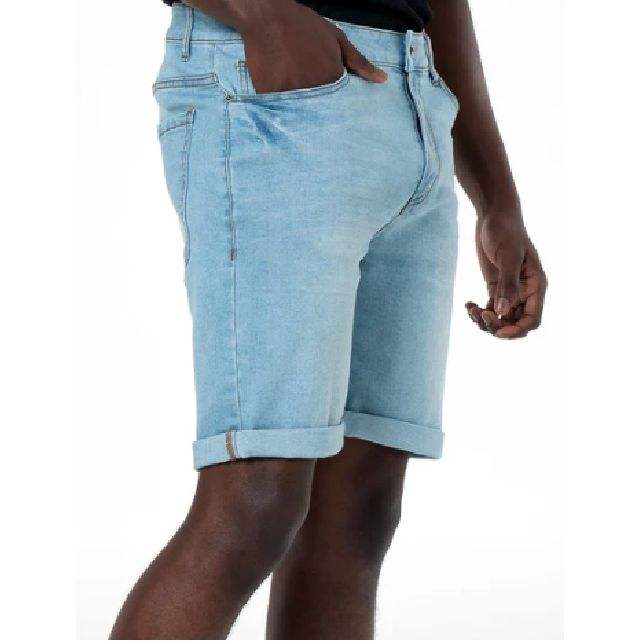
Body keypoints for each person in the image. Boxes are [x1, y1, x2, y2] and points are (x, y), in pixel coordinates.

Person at [110, 0, 547, 638]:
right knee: (257, 496)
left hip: (419, 101)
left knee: (359, 505)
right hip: (271, 91)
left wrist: (497, 198)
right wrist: (264, 16)